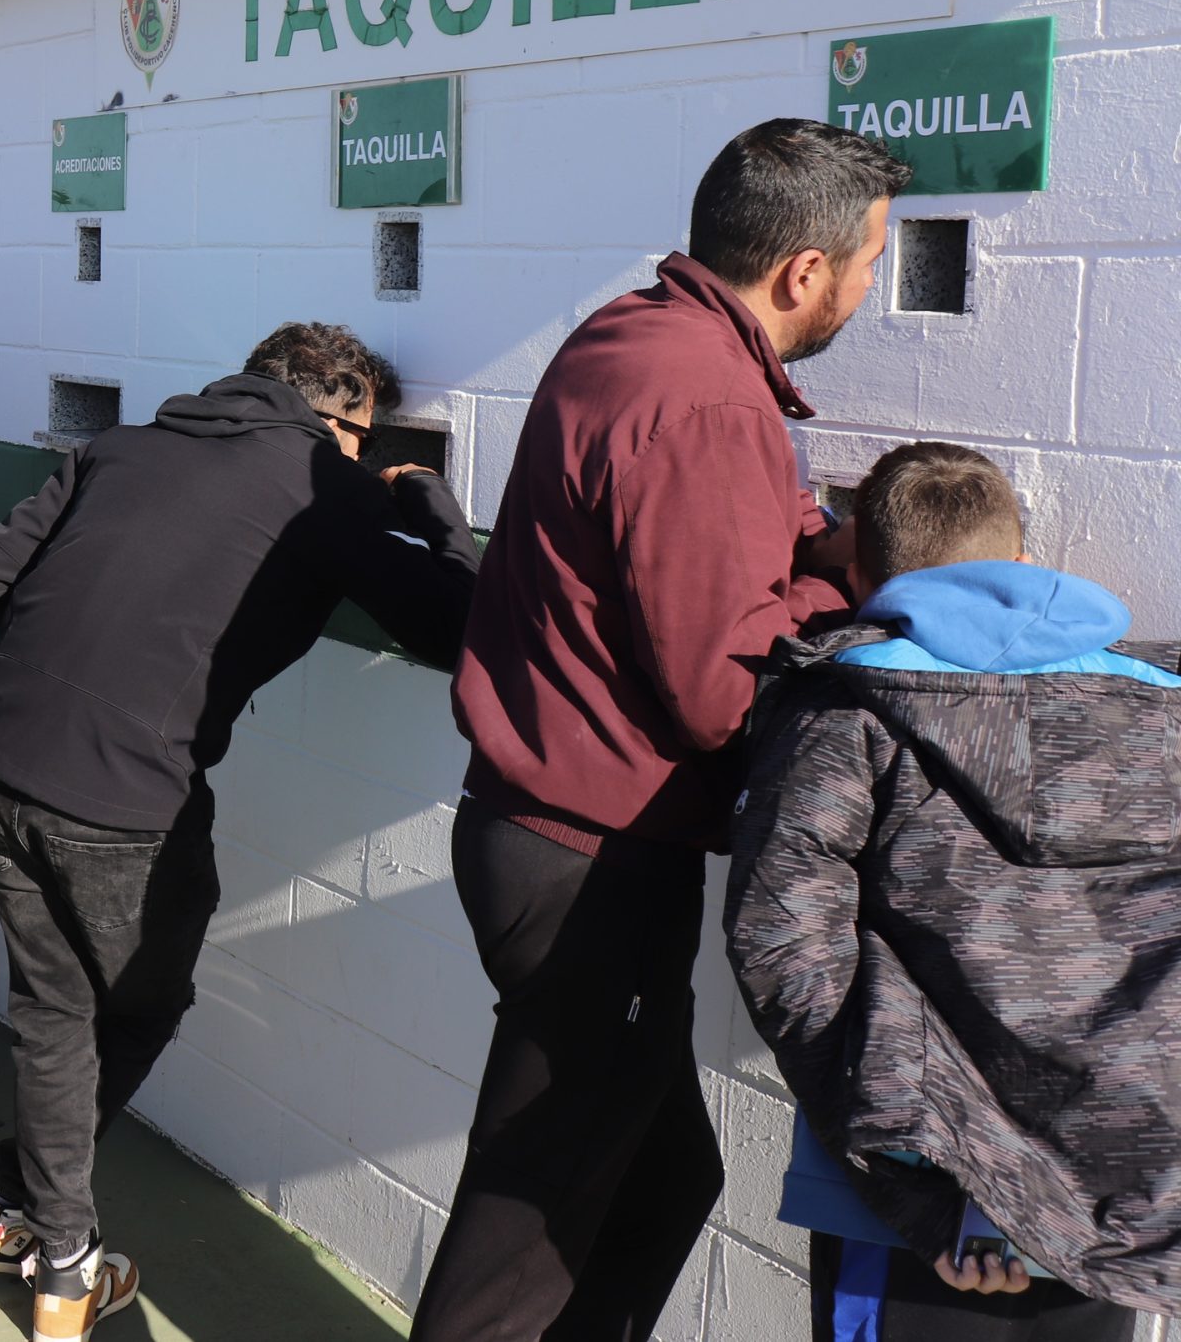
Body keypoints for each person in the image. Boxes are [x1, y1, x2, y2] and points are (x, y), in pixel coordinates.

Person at [413, 118, 911, 1341]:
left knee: (659, 1180)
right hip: (590, 863)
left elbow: (667, 534)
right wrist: (839, 591)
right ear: (803, 272)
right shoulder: (708, 401)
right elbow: (714, 688)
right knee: (519, 1242)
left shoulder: (628, 336)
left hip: (539, 838)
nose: (867, 288)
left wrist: (794, 538)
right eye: (868, 263)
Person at [0, 323, 483, 1338]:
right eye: (364, 435)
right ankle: (60, 1268)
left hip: (5, 763)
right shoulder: (322, 481)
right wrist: (432, 509)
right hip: (124, 804)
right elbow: (460, 625)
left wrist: (36, 703)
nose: (362, 453)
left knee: (57, 1017)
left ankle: (4, 1215)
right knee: (134, 1012)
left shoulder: (123, 446)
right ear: (334, 415)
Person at [727, 443, 1172, 1338]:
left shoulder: (847, 708)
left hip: (918, 1205)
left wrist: (922, 1196)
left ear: (860, 576)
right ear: (1021, 556)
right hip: (1120, 1200)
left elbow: (781, 944)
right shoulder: (1164, 709)